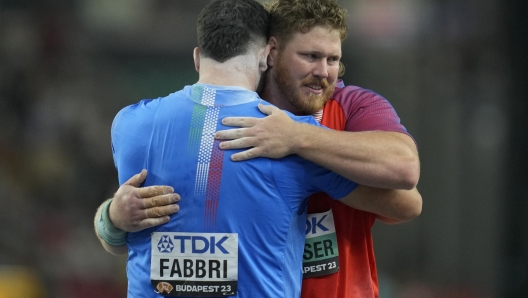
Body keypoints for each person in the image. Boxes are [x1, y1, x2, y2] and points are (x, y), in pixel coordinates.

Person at [96, 0, 422, 297]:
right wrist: (110, 216)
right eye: (309, 56)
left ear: (198, 58)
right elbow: (134, 213)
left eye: (333, 59)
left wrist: (298, 137)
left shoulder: (348, 108)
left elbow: (407, 192)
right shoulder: (248, 123)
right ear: (271, 53)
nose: (323, 71)